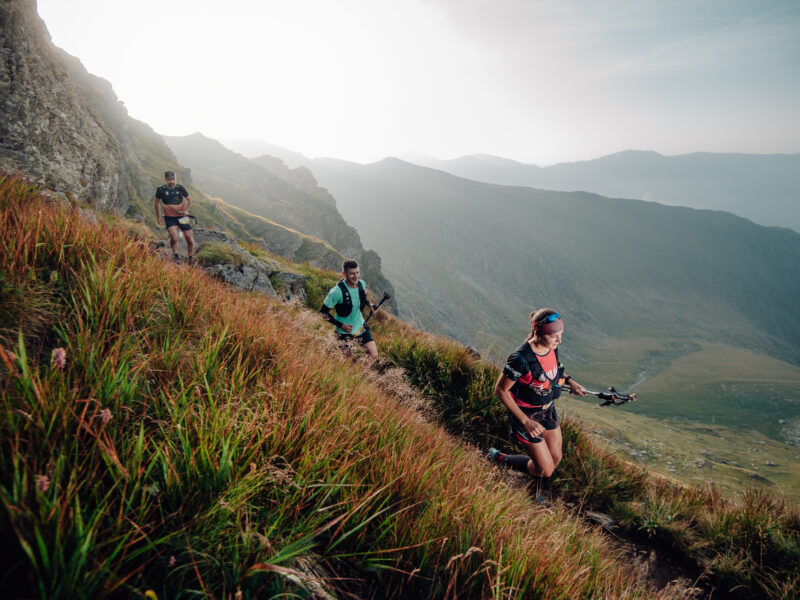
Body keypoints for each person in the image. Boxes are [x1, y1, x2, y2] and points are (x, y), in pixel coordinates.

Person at [489, 309, 586, 498]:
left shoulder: (551, 348)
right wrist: (526, 422)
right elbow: (500, 390)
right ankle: (500, 458)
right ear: (538, 333)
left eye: (561, 335)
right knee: (547, 469)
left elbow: (554, 372)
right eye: (554, 336)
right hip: (526, 415)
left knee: (555, 457)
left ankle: (535, 490)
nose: (559, 341)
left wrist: (569, 381)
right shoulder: (520, 359)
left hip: (548, 410)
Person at [320, 259, 380, 359]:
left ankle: (363, 373)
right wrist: (341, 325)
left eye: (357, 272)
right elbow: (323, 312)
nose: (356, 276)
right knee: (348, 362)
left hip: (360, 327)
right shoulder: (336, 292)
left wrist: (370, 304)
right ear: (344, 273)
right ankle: (355, 371)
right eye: (352, 273)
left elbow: (363, 299)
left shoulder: (361, 284)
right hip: (343, 333)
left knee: (374, 355)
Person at [155, 170, 195, 264]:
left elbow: (189, 199)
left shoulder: (180, 188)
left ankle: (190, 257)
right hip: (170, 218)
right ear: (165, 179)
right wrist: (158, 217)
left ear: (175, 179)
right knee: (174, 238)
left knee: (189, 238)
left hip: (182, 216)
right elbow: (156, 203)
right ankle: (176, 256)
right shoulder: (161, 189)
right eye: (169, 179)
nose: (171, 181)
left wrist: (185, 210)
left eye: (173, 179)